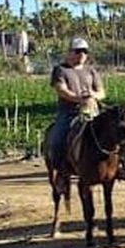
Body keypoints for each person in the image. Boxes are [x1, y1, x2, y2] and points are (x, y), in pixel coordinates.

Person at [48, 36, 105, 175]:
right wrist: (79, 99)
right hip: (69, 113)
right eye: (78, 51)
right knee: (57, 140)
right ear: (70, 52)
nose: (82, 55)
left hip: (93, 112)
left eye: (85, 52)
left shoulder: (91, 71)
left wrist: (93, 95)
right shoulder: (60, 70)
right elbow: (62, 90)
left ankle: (118, 167)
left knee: (113, 132)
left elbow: (102, 92)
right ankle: (60, 168)